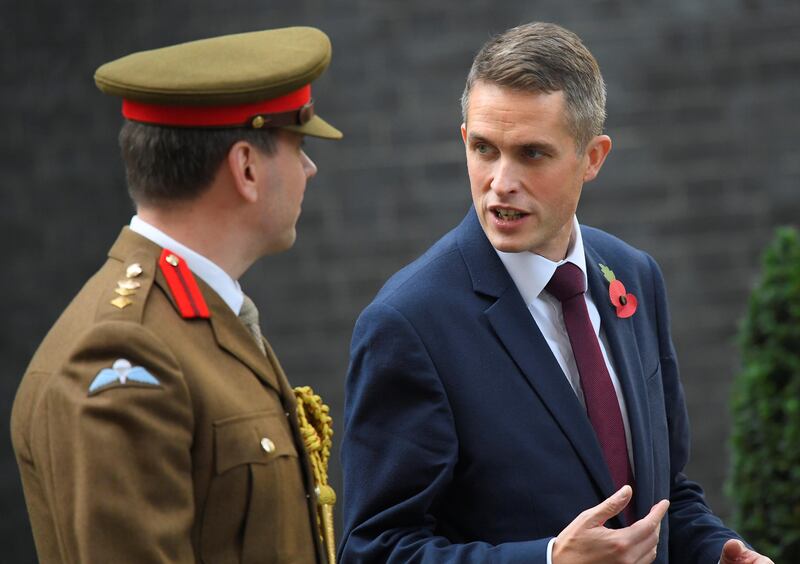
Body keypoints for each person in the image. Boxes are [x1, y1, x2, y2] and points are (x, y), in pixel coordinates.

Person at [339, 22, 771, 563]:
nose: (500, 181)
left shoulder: (634, 277)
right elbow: (374, 550)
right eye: (483, 148)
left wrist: (718, 551)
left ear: (593, 158)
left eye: (532, 154)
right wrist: (547, 559)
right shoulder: (408, 323)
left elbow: (665, 494)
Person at [11, 27, 341, 563]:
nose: (309, 168)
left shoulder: (198, 316)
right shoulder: (126, 350)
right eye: (299, 146)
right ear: (247, 168)